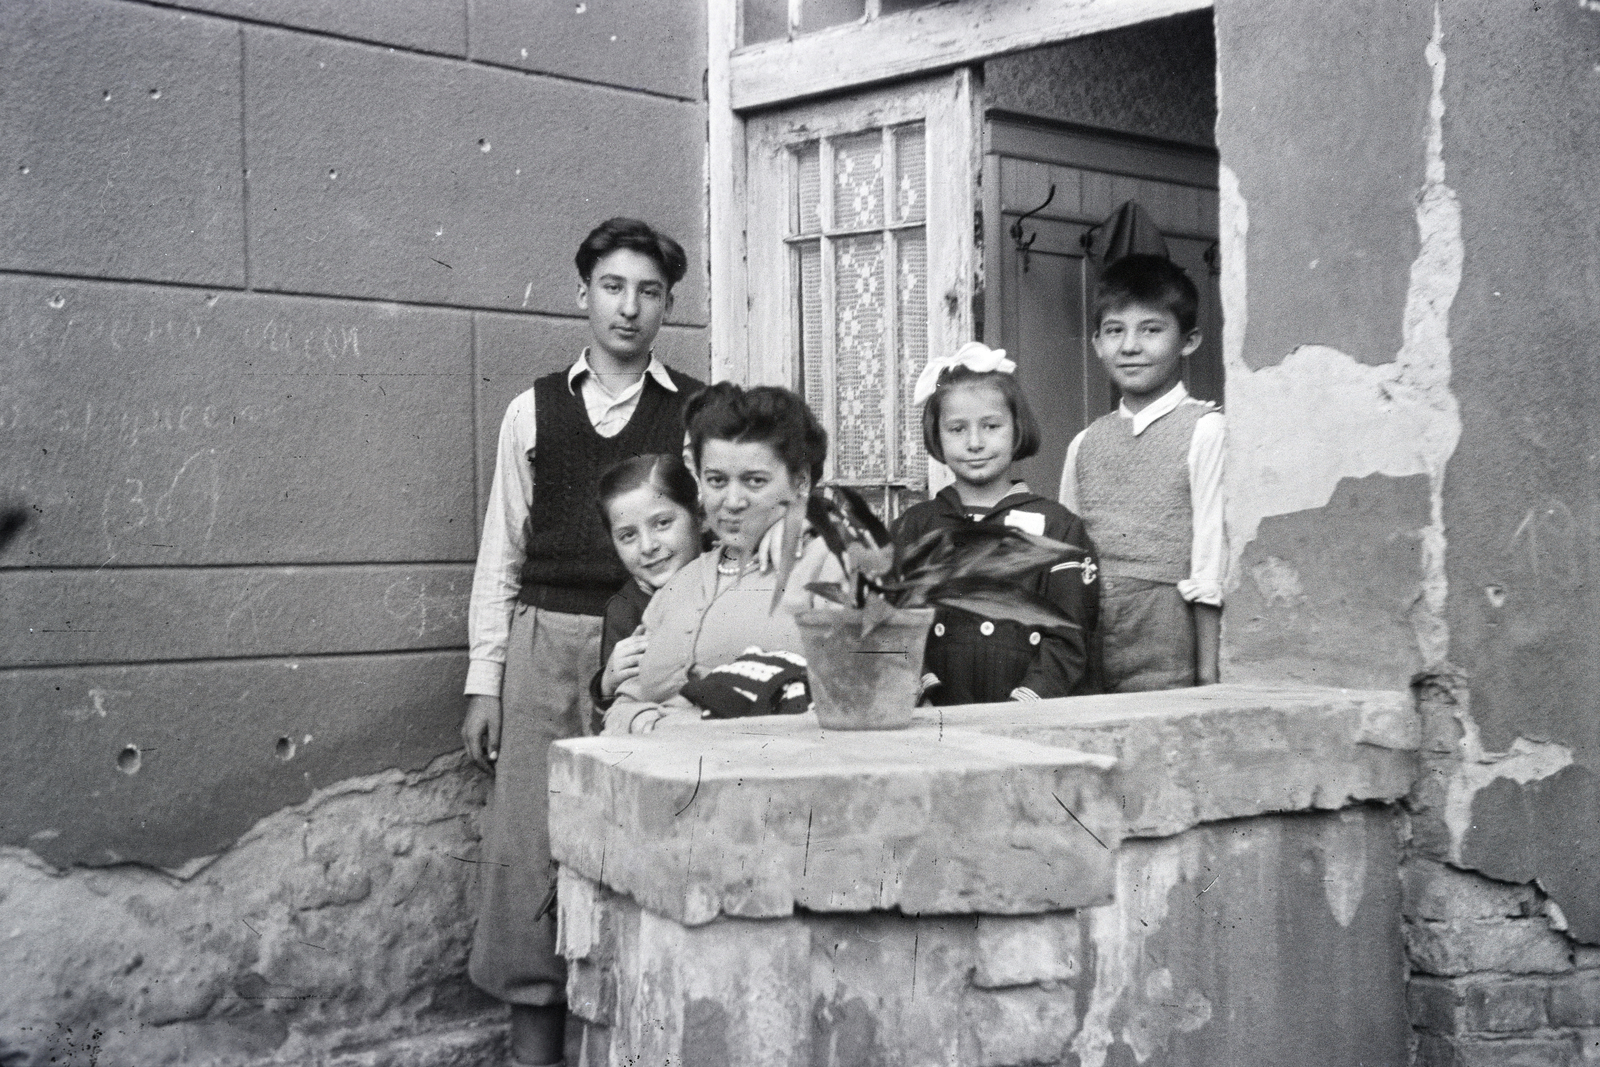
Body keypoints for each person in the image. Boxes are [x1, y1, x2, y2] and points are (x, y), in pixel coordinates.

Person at [460, 218, 704, 1067]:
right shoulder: (534, 407)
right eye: (612, 287)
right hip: (545, 645)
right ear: (582, 294)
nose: (628, 308)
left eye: (648, 292)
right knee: (532, 851)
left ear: (668, 305)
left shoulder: (693, 410)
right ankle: (536, 1054)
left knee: (643, 836)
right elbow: (503, 547)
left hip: (653, 644)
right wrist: (484, 680)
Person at [601, 382, 836, 735]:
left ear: (801, 482)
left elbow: (865, 700)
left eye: (754, 481)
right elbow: (622, 706)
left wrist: (700, 728)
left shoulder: (827, 569)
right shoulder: (680, 584)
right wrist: (652, 724)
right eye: (716, 480)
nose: (731, 501)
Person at [895, 342, 1099, 705]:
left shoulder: (1058, 527)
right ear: (936, 435)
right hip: (936, 711)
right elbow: (893, 622)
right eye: (957, 429)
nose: (975, 443)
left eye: (991, 426)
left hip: (1026, 713)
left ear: (1017, 428)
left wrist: (1030, 700)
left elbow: (1069, 636)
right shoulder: (917, 525)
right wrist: (919, 689)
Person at [1058, 254, 1224, 692]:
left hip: (1169, 633)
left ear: (1188, 341)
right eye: (1115, 331)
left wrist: (1207, 675)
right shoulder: (1084, 444)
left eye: (1151, 330)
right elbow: (1067, 560)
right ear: (1096, 343)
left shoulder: (1206, 430)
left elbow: (1210, 561)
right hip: (1093, 634)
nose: (1130, 346)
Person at [588, 453, 704, 720]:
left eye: (662, 523)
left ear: (699, 516)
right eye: (628, 535)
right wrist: (607, 684)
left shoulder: (728, 571)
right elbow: (612, 723)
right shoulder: (625, 610)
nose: (648, 546)